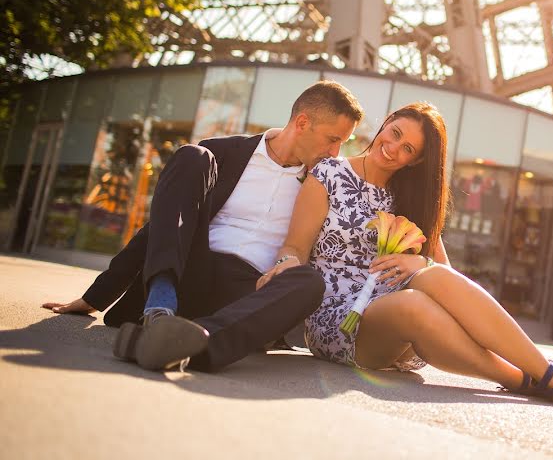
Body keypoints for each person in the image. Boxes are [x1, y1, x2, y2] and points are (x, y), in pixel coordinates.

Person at [262, 102, 553, 413]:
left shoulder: (410, 198)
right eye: (395, 133)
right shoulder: (329, 174)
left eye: (407, 149)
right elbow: (295, 247)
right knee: (414, 303)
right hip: (341, 319)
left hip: (400, 314)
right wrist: (284, 266)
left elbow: (447, 281)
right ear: (385, 124)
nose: (393, 148)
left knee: (429, 278)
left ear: (415, 161)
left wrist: (421, 263)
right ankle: (534, 379)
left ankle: (544, 375)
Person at [42, 80, 364, 372]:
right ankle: (160, 308)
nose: (335, 152)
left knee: (308, 282)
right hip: (191, 273)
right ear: (302, 122)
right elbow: (166, 223)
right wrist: (97, 296)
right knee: (192, 156)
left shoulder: (322, 184)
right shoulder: (221, 153)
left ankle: (180, 346)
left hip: (248, 295)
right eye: (332, 139)